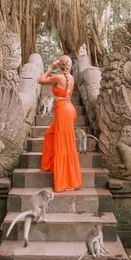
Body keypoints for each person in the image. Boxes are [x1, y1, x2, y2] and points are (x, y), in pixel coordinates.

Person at [38, 55, 82, 192]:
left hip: (63, 111)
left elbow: (40, 80)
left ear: (60, 65)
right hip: (68, 110)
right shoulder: (71, 78)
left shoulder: (58, 77)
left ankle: (66, 182)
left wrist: (51, 67)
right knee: (49, 135)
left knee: (64, 144)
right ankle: (50, 165)